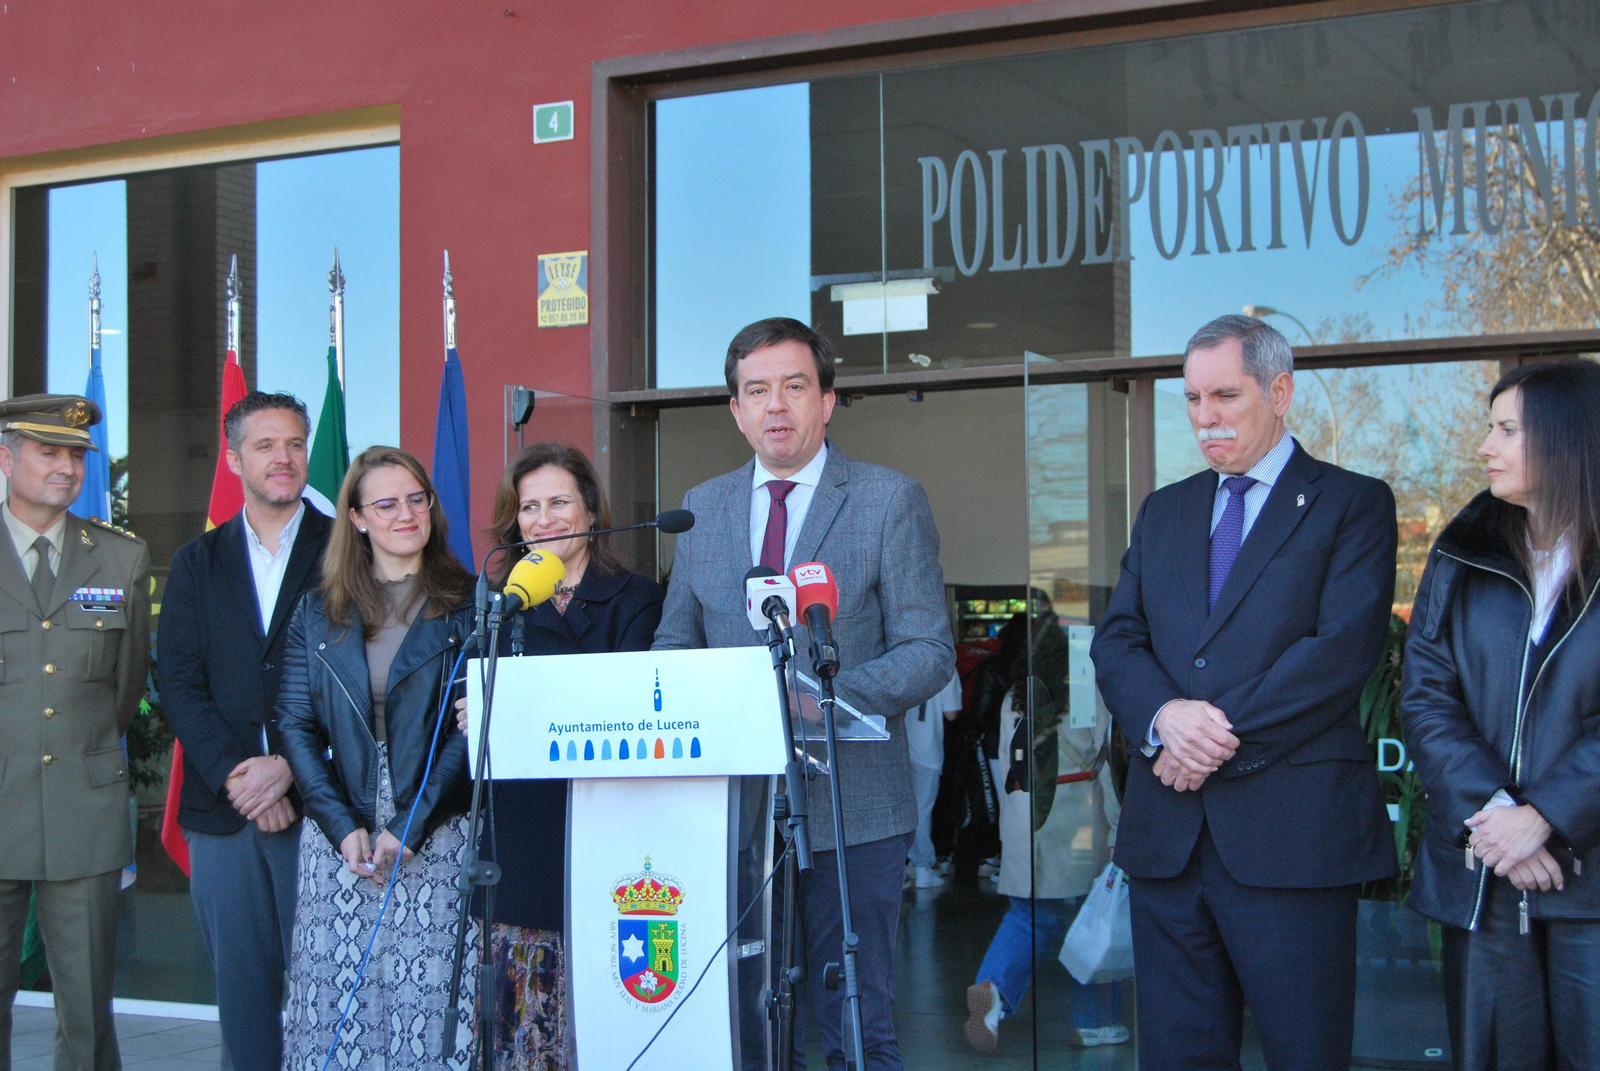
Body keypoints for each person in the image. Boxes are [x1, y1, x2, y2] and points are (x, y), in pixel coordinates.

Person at [1090, 314, 1398, 1070]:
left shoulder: (1353, 504)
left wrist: (1206, 737)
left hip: (1292, 840)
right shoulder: (1166, 510)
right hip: (1170, 843)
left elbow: (1339, 653)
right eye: (1192, 398)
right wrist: (1165, 715)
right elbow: (1118, 640)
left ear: (1280, 390)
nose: (1204, 417)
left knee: (1304, 1052)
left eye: (1224, 395)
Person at [652, 317, 954, 1071]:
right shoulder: (703, 506)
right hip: (735, 811)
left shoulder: (888, 500)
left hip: (856, 813)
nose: (776, 405)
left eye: (794, 386)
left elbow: (929, 649)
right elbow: (673, 640)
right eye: (757, 390)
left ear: (827, 401)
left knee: (855, 1019)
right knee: (751, 1020)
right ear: (736, 409)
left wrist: (828, 694)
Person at [1401, 358, 1600, 1070]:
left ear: (1568, 437)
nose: (1486, 445)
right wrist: (1496, 817)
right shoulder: (1463, 549)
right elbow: (1424, 692)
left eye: (1506, 429)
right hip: (1485, 877)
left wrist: (1542, 815)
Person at [456, 442, 664, 1070]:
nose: (542, 520)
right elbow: (469, 711)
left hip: (610, 829)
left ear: (592, 510)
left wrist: (525, 711)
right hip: (520, 842)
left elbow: (623, 706)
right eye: (528, 508)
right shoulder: (496, 604)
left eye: (558, 503)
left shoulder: (636, 599)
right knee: (519, 1032)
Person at [277, 446, 477, 1070]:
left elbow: (473, 730)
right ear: (358, 518)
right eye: (386, 503)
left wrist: (411, 824)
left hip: (438, 825)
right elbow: (294, 723)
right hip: (342, 831)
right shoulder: (317, 611)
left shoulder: (473, 602)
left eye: (417, 499)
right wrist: (341, 827)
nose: (406, 514)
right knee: (339, 1002)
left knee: (430, 1000)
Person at [160, 392, 333, 1071]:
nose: (283, 458)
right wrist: (244, 775)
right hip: (223, 810)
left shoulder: (344, 552)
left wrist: (289, 767)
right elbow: (178, 683)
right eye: (265, 445)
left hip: (319, 810)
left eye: (293, 443)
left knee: (324, 991)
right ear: (235, 459)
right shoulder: (195, 563)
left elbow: (355, 686)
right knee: (242, 1001)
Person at [0, 394, 151, 1071]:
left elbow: (124, 691)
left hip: (83, 811)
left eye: (75, 455)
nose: (66, 467)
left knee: (87, 1011)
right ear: (7, 458)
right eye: (48, 451)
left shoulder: (120, 559)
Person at [964, 603, 1125, 1053]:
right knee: (1088, 924)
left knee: (1026, 915)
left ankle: (992, 991)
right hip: (1071, 816)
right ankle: (1093, 1021)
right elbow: (1108, 759)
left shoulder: (1017, 694)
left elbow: (1002, 764)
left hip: (1023, 816)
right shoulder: (1088, 685)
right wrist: (1116, 829)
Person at [904, 669, 961, 889]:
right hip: (928, 750)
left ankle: (904, 866)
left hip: (901, 747)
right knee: (923, 810)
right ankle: (923, 865)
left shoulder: (901, 663)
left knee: (902, 810)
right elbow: (952, 713)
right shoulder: (945, 667)